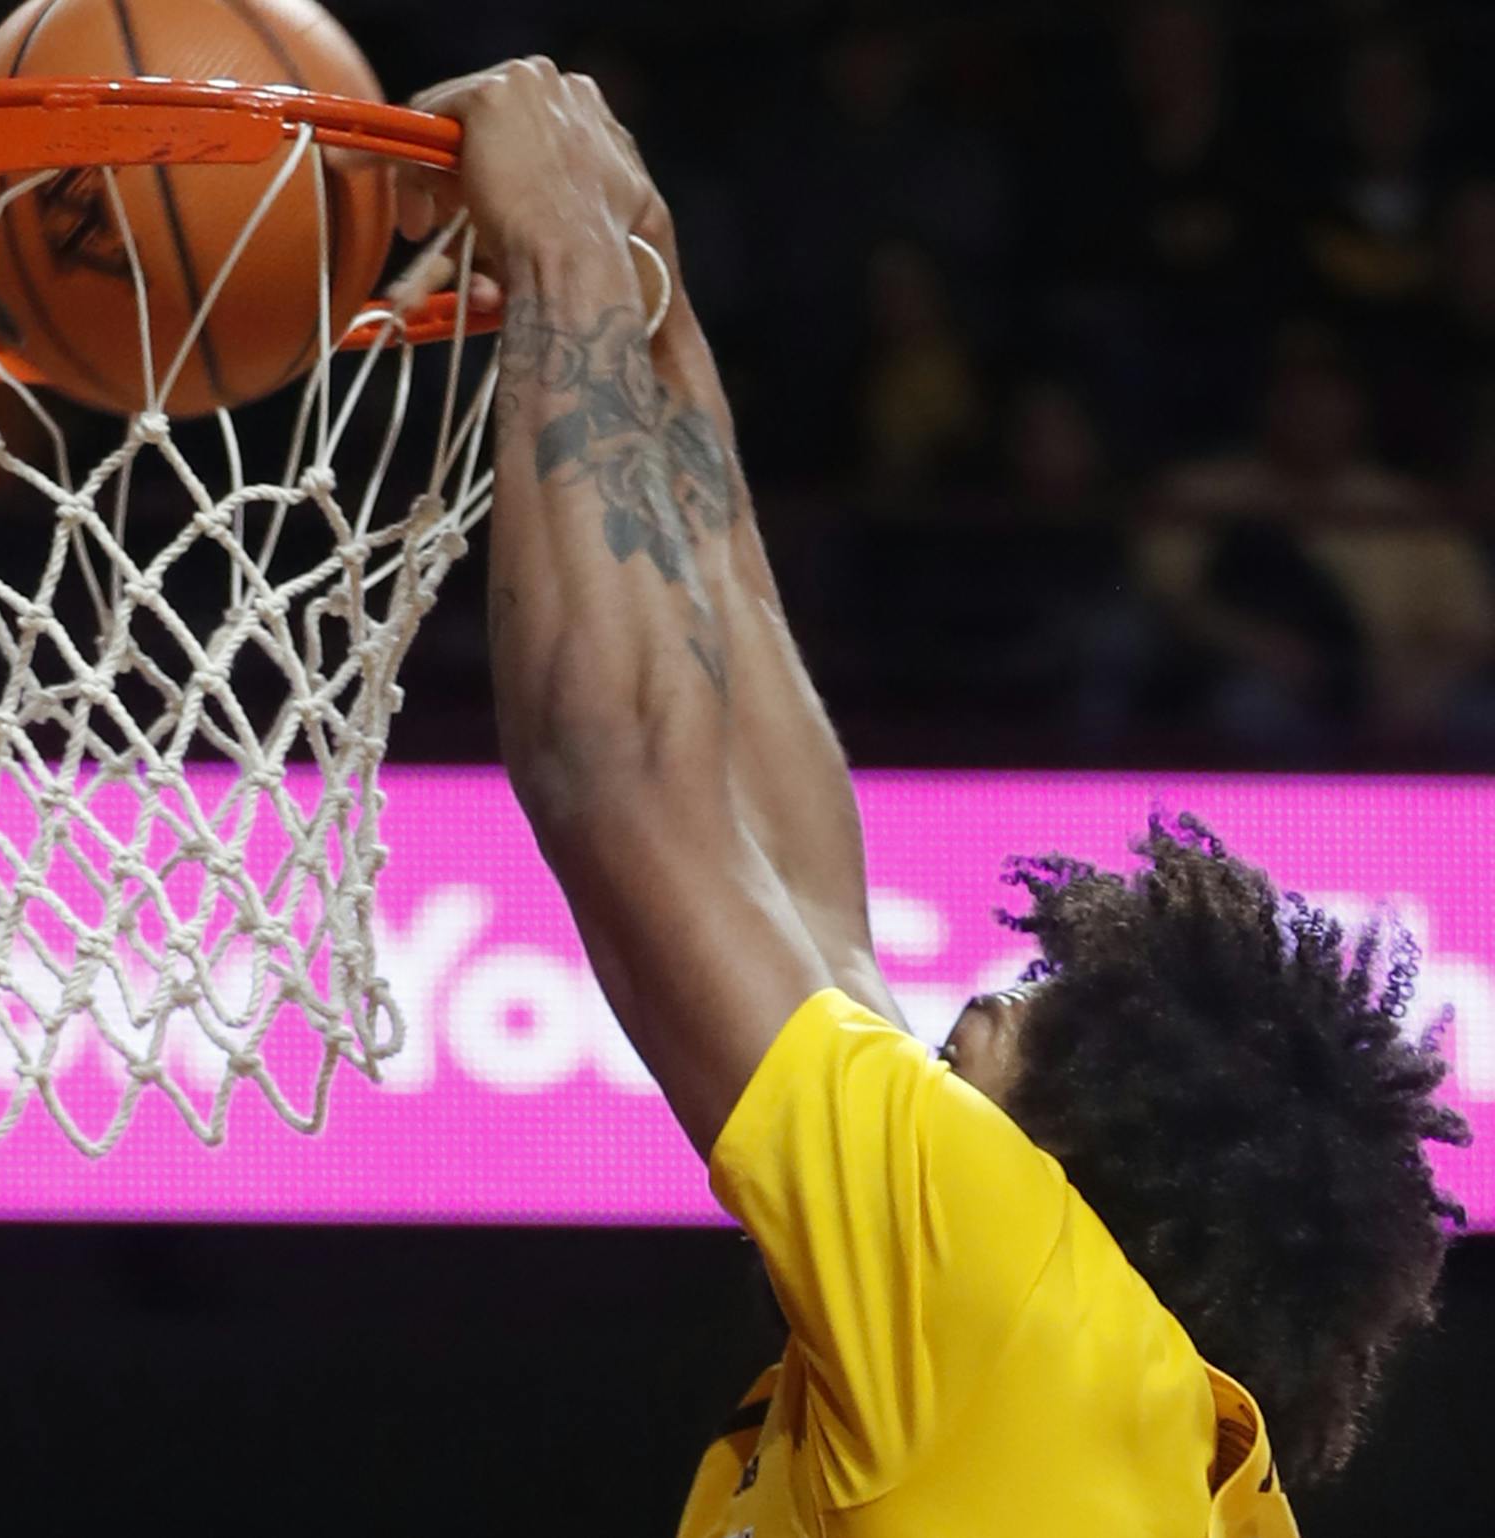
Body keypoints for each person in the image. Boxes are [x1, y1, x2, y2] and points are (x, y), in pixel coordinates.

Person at [392, 59, 1472, 1536]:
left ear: (1117, 1123)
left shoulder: (996, 1290)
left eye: (1057, 995)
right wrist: (652, 306)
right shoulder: (1105, 1388)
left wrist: (563, 255)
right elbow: (811, 913)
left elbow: (617, 769)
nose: (996, 989)